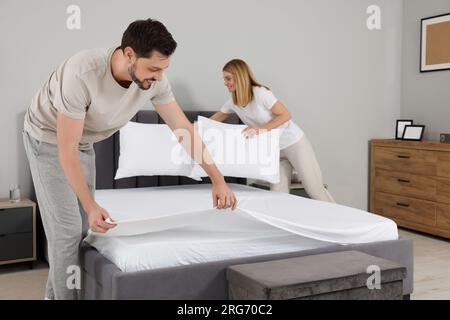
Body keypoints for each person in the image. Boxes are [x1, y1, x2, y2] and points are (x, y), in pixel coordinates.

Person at [22, 18, 237, 300]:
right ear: (129, 55)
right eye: (153, 69)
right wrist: (90, 204)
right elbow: (66, 149)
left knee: (84, 231)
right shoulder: (82, 73)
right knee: (67, 233)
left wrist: (218, 179)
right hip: (47, 139)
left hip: (85, 142)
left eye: (164, 69)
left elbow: (183, 130)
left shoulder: (155, 81)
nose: (159, 77)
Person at [210, 59, 335, 203]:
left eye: (228, 78)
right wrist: (189, 128)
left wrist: (259, 130)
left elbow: (286, 114)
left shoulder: (260, 93)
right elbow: (212, 120)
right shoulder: (234, 102)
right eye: (224, 79)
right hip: (275, 152)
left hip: (294, 143)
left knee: (314, 189)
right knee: (278, 195)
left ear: (239, 76)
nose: (225, 82)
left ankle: (341, 220)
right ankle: (281, 225)